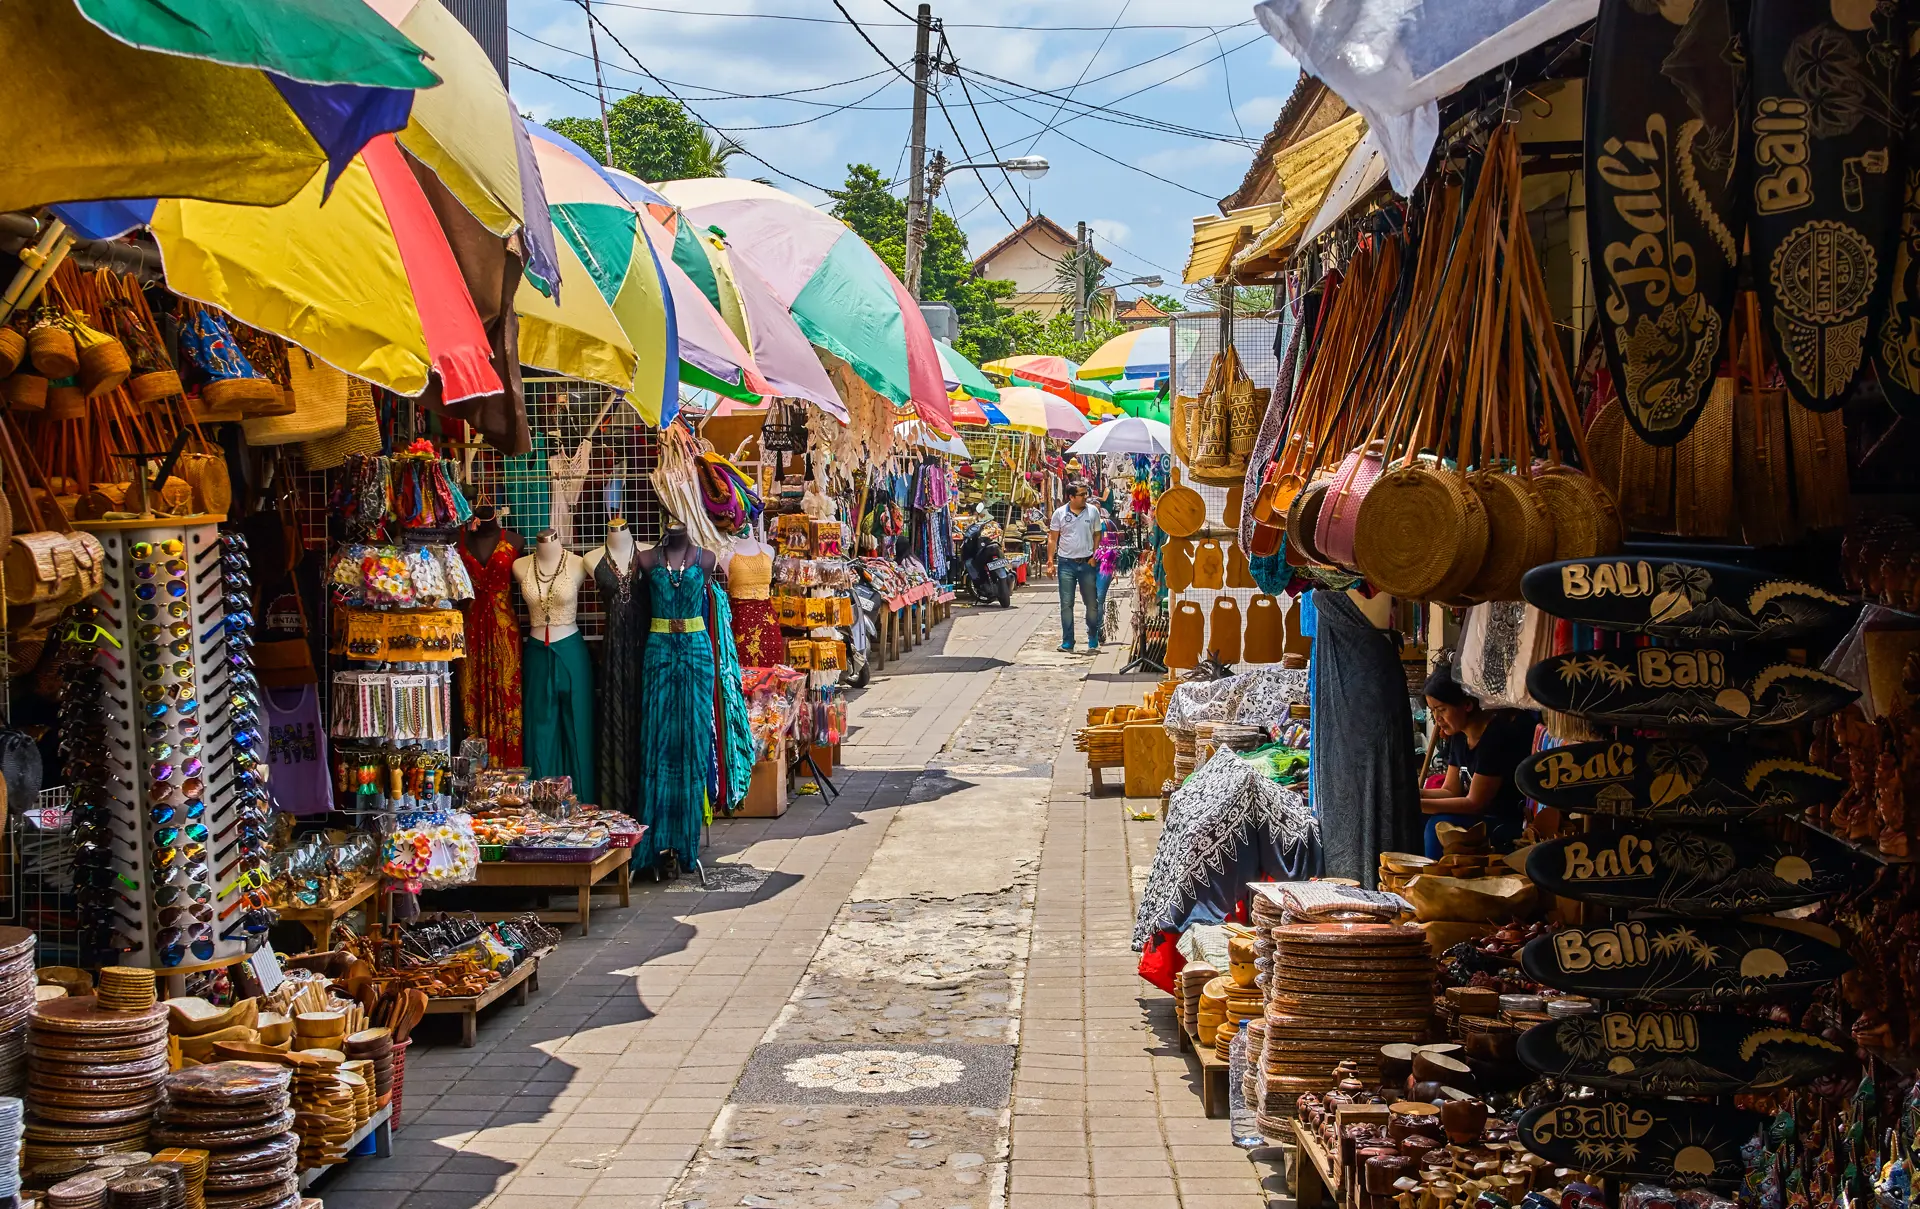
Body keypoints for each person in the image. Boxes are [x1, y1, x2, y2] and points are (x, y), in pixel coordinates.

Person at [1417, 667, 1537, 858]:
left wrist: (1416, 803)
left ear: (1467, 704)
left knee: (1436, 826)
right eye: (1433, 711)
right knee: (1413, 818)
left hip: (1503, 823)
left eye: (1442, 710)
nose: (1437, 719)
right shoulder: (1458, 735)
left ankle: (1434, 882)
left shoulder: (1495, 737)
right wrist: (1410, 794)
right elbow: (1450, 790)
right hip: (1478, 817)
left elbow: (1475, 803)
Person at [1047, 481, 1106, 652]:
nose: (1085, 497)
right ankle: (1067, 641)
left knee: (1091, 603)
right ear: (1071, 497)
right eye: (1081, 494)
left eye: (1086, 493)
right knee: (1066, 603)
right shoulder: (1059, 514)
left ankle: (1093, 638)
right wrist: (1050, 561)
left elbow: (1097, 534)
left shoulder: (1093, 511)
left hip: (1087, 562)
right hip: (1066, 564)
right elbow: (1053, 538)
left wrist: (1095, 555)